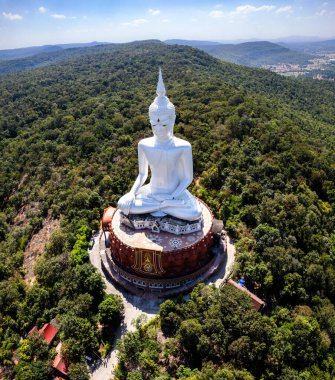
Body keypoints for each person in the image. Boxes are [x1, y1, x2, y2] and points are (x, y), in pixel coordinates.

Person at [117, 69, 202, 221]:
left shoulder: (183, 146)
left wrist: (172, 196)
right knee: (122, 203)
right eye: (154, 125)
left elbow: (187, 178)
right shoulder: (144, 145)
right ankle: (162, 206)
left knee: (195, 214)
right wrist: (131, 192)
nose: (158, 129)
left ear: (173, 120)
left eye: (164, 124)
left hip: (175, 194)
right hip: (152, 193)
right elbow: (143, 175)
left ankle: (163, 205)